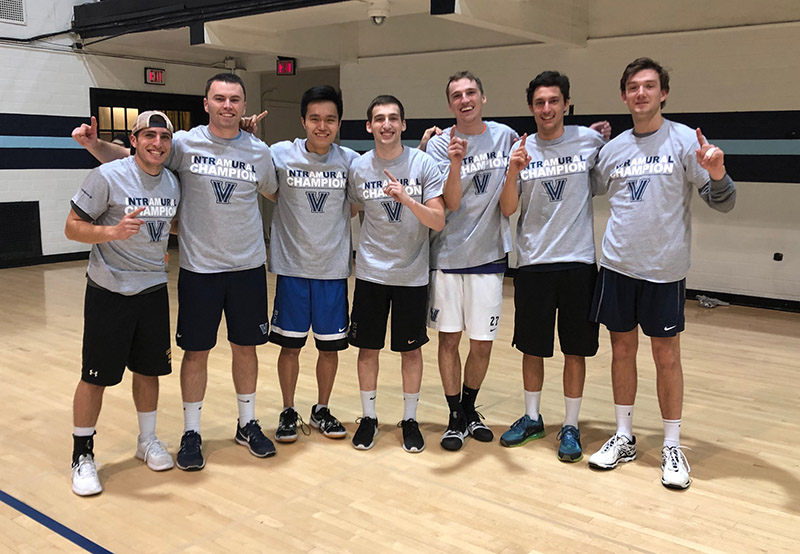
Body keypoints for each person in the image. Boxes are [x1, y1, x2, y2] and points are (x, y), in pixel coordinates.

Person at [72, 73, 279, 471]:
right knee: (196, 352)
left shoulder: (258, 151)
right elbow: (138, 159)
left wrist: (252, 138)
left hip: (248, 266)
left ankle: (247, 423)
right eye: (219, 98)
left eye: (235, 99)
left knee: (245, 348)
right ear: (206, 104)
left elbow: (273, 190)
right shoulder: (182, 143)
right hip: (199, 267)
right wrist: (93, 144)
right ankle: (191, 431)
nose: (228, 106)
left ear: (244, 105)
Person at [588, 57, 736, 489]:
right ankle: (623, 436)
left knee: (666, 356)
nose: (641, 94)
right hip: (617, 266)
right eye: (633, 87)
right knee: (621, 352)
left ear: (663, 93)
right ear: (624, 95)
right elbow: (583, 186)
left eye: (649, 86)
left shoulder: (687, 141)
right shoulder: (612, 150)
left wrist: (718, 172)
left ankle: (672, 443)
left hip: (665, 270)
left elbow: (723, 201)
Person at [67, 111, 180, 496]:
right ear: (133, 140)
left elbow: (170, 223)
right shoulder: (108, 176)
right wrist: (110, 231)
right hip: (108, 291)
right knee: (95, 377)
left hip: (152, 290)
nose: (157, 143)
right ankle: (82, 455)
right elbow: (71, 226)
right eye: (149, 135)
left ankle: (146, 441)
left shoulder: (172, 182)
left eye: (164, 137)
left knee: (149, 371)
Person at [498, 71, 606, 462]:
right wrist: (513, 170)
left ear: (566, 105)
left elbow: (604, 180)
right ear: (531, 108)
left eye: (554, 101)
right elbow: (507, 208)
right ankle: (531, 417)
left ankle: (571, 425)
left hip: (578, 262)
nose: (547, 109)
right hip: (533, 262)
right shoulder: (519, 148)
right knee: (532, 348)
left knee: (574, 350)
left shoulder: (588, 141)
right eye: (540, 102)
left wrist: (604, 137)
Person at [347, 95, 445, 453]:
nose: (386, 124)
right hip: (372, 273)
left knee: (411, 352)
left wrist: (407, 199)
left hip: (412, 275)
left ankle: (410, 419)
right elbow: (354, 209)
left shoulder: (423, 164)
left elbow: (438, 219)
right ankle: (369, 417)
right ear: (369, 126)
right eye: (379, 119)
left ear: (404, 125)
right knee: (367, 349)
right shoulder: (359, 168)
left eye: (393, 118)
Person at [265, 86, 359, 443]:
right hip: (292, 268)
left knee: (328, 347)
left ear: (338, 124)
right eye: (315, 119)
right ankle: (288, 409)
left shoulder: (350, 161)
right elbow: (264, 185)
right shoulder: (279, 155)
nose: (322, 126)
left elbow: (355, 203)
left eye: (330, 120)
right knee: (290, 346)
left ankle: (321, 408)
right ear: (303, 120)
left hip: (332, 270)